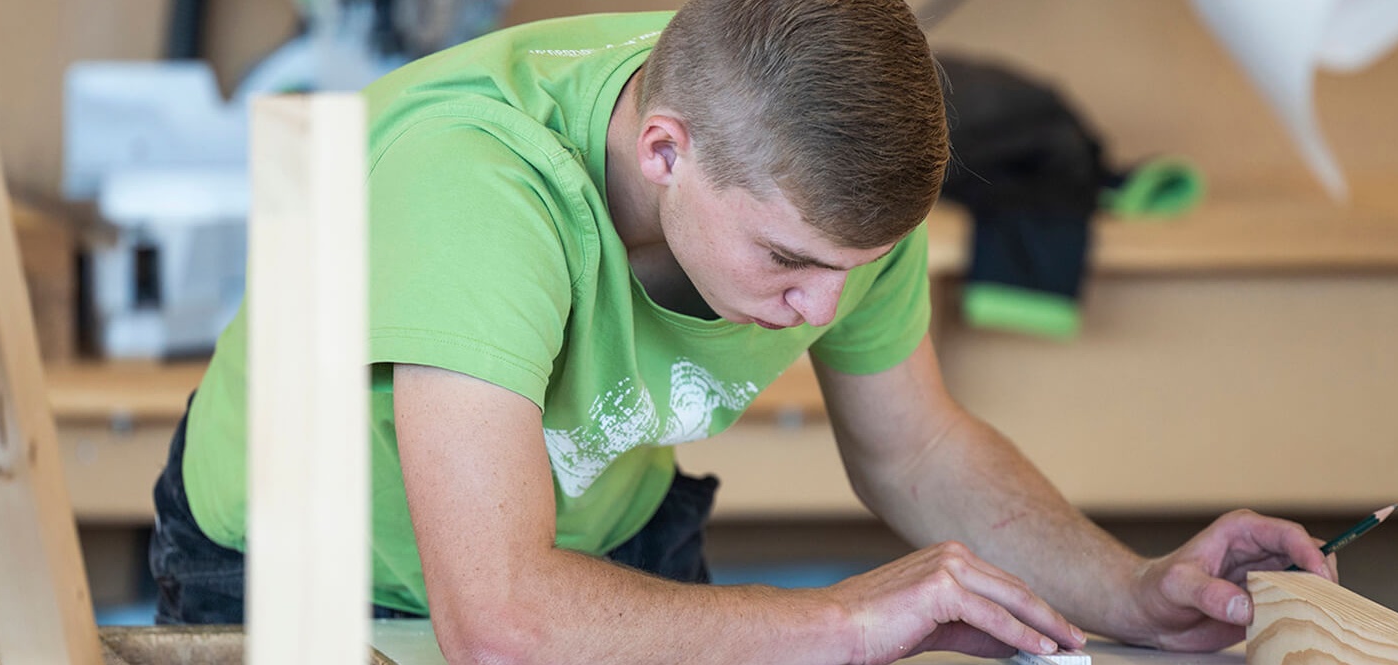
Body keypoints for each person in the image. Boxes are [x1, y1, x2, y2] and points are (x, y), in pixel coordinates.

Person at [150, 0, 1335, 662]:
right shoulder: (481, 183)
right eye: (786, 264)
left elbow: (914, 448)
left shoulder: (821, 192)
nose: (819, 312)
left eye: (854, 271)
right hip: (303, 581)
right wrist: (849, 613)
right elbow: (501, 622)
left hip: (589, 558)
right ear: (664, 150)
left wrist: (1133, 589)